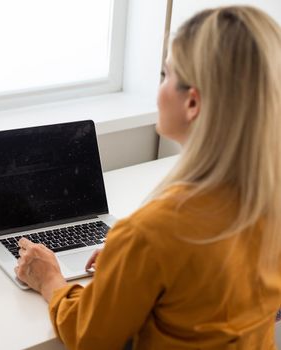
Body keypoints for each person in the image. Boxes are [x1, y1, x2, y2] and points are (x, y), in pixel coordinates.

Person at [14, 5, 281, 349]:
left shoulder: (153, 231)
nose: (159, 88)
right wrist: (129, 264)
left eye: (165, 75)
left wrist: (50, 279)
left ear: (192, 104)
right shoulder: (267, 201)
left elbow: (90, 336)